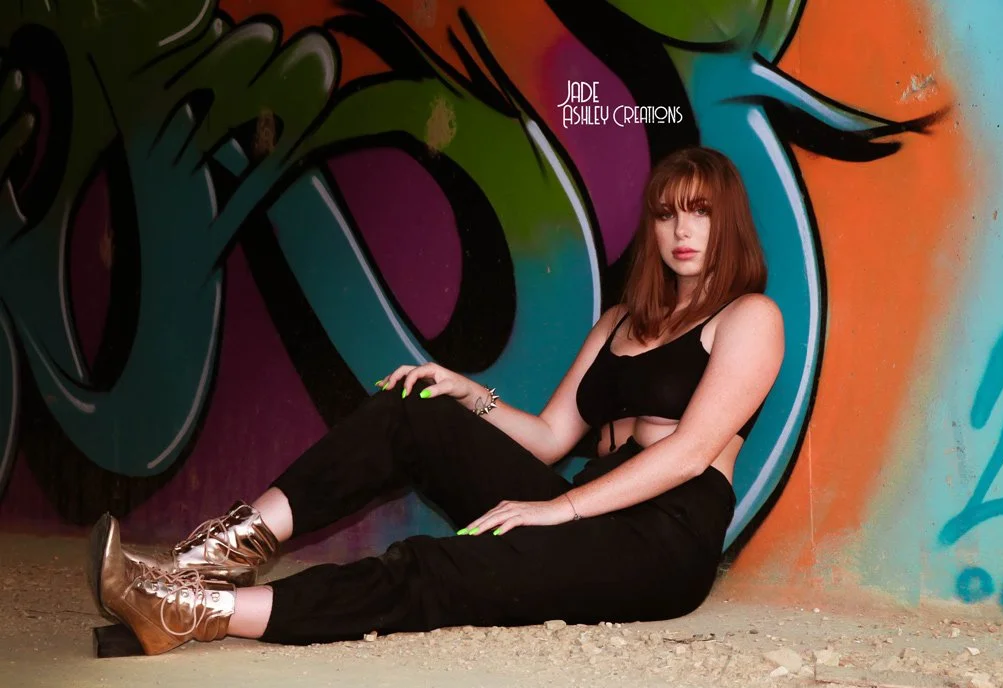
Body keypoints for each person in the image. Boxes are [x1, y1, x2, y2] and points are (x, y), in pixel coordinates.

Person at [87, 146, 785, 656]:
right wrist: (468, 394)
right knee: (413, 409)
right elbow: (548, 438)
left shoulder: (748, 317)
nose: (682, 231)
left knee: (437, 566)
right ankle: (211, 555)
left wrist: (555, 509)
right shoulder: (619, 323)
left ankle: (196, 609)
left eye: (699, 212)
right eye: (666, 214)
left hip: (661, 540)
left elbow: (691, 454)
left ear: (728, 223)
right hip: (585, 508)